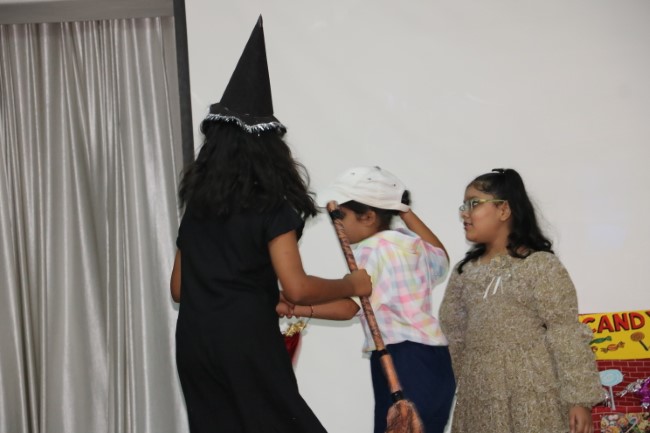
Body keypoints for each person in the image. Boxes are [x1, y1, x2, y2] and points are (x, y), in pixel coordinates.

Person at [169, 17, 371, 433]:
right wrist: (349, 284)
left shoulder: (199, 207)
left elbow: (178, 288)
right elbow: (297, 288)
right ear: (269, 149)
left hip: (194, 340)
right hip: (246, 341)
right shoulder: (269, 207)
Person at [279, 166, 456, 433]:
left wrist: (295, 307)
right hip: (434, 361)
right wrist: (404, 211)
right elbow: (441, 257)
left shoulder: (373, 249)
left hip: (402, 360)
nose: (336, 224)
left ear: (369, 216)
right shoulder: (411, 244)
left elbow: (350, 307)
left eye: (341, 215)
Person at [439, 168, 603, 433]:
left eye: (474, 204)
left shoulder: (540, 266)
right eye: (464, 206)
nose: (465, 214)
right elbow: (455, 336)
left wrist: (579, 400)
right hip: (481, 399)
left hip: (534, 397)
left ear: (503, 210)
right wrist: (466, 383)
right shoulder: (464, 272)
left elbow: (565, 333)